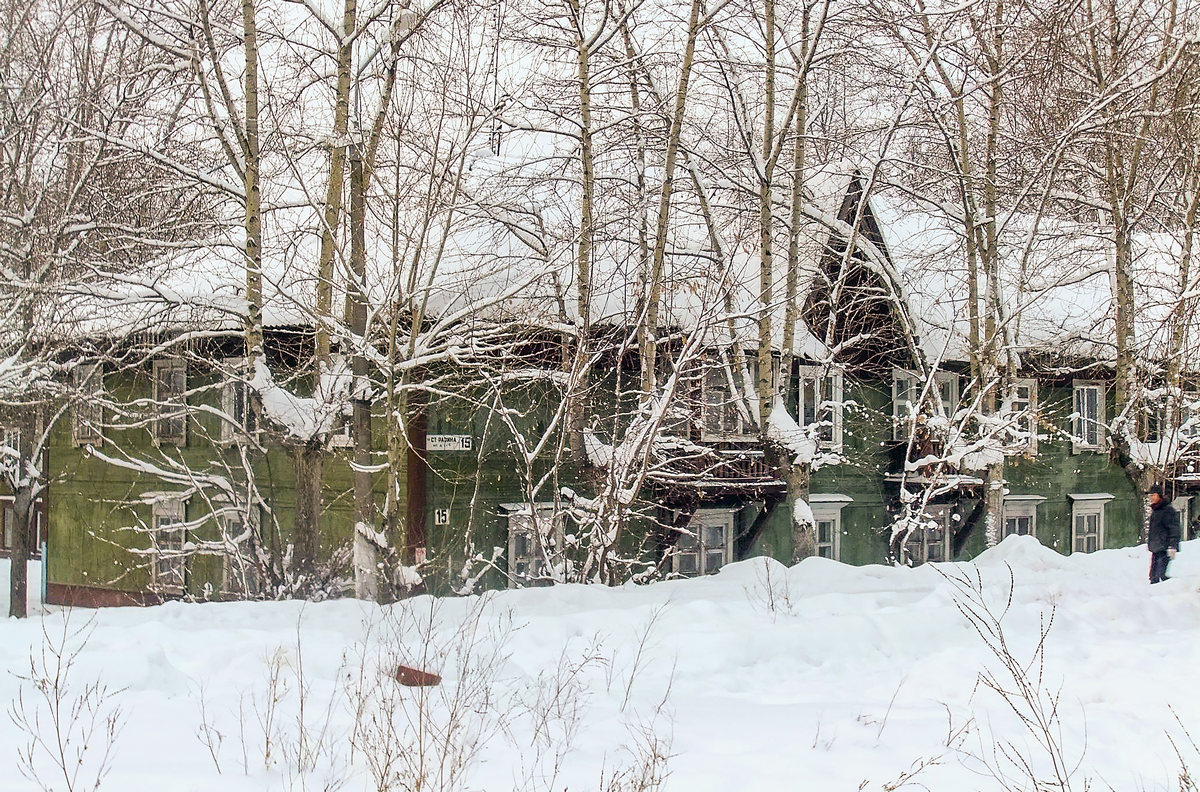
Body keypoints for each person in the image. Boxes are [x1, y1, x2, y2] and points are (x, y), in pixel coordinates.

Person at [1147, 484, 1181, 584]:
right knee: (1153, 577)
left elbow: (1174, 529)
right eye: (1150, 496)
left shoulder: (1167, 510)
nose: (1151, 498)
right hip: (1156, 548)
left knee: (1160, 577)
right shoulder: (1156, 510)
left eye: (1153, 495)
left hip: (1164, 548)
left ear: (1160, 495)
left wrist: (1172, 546)